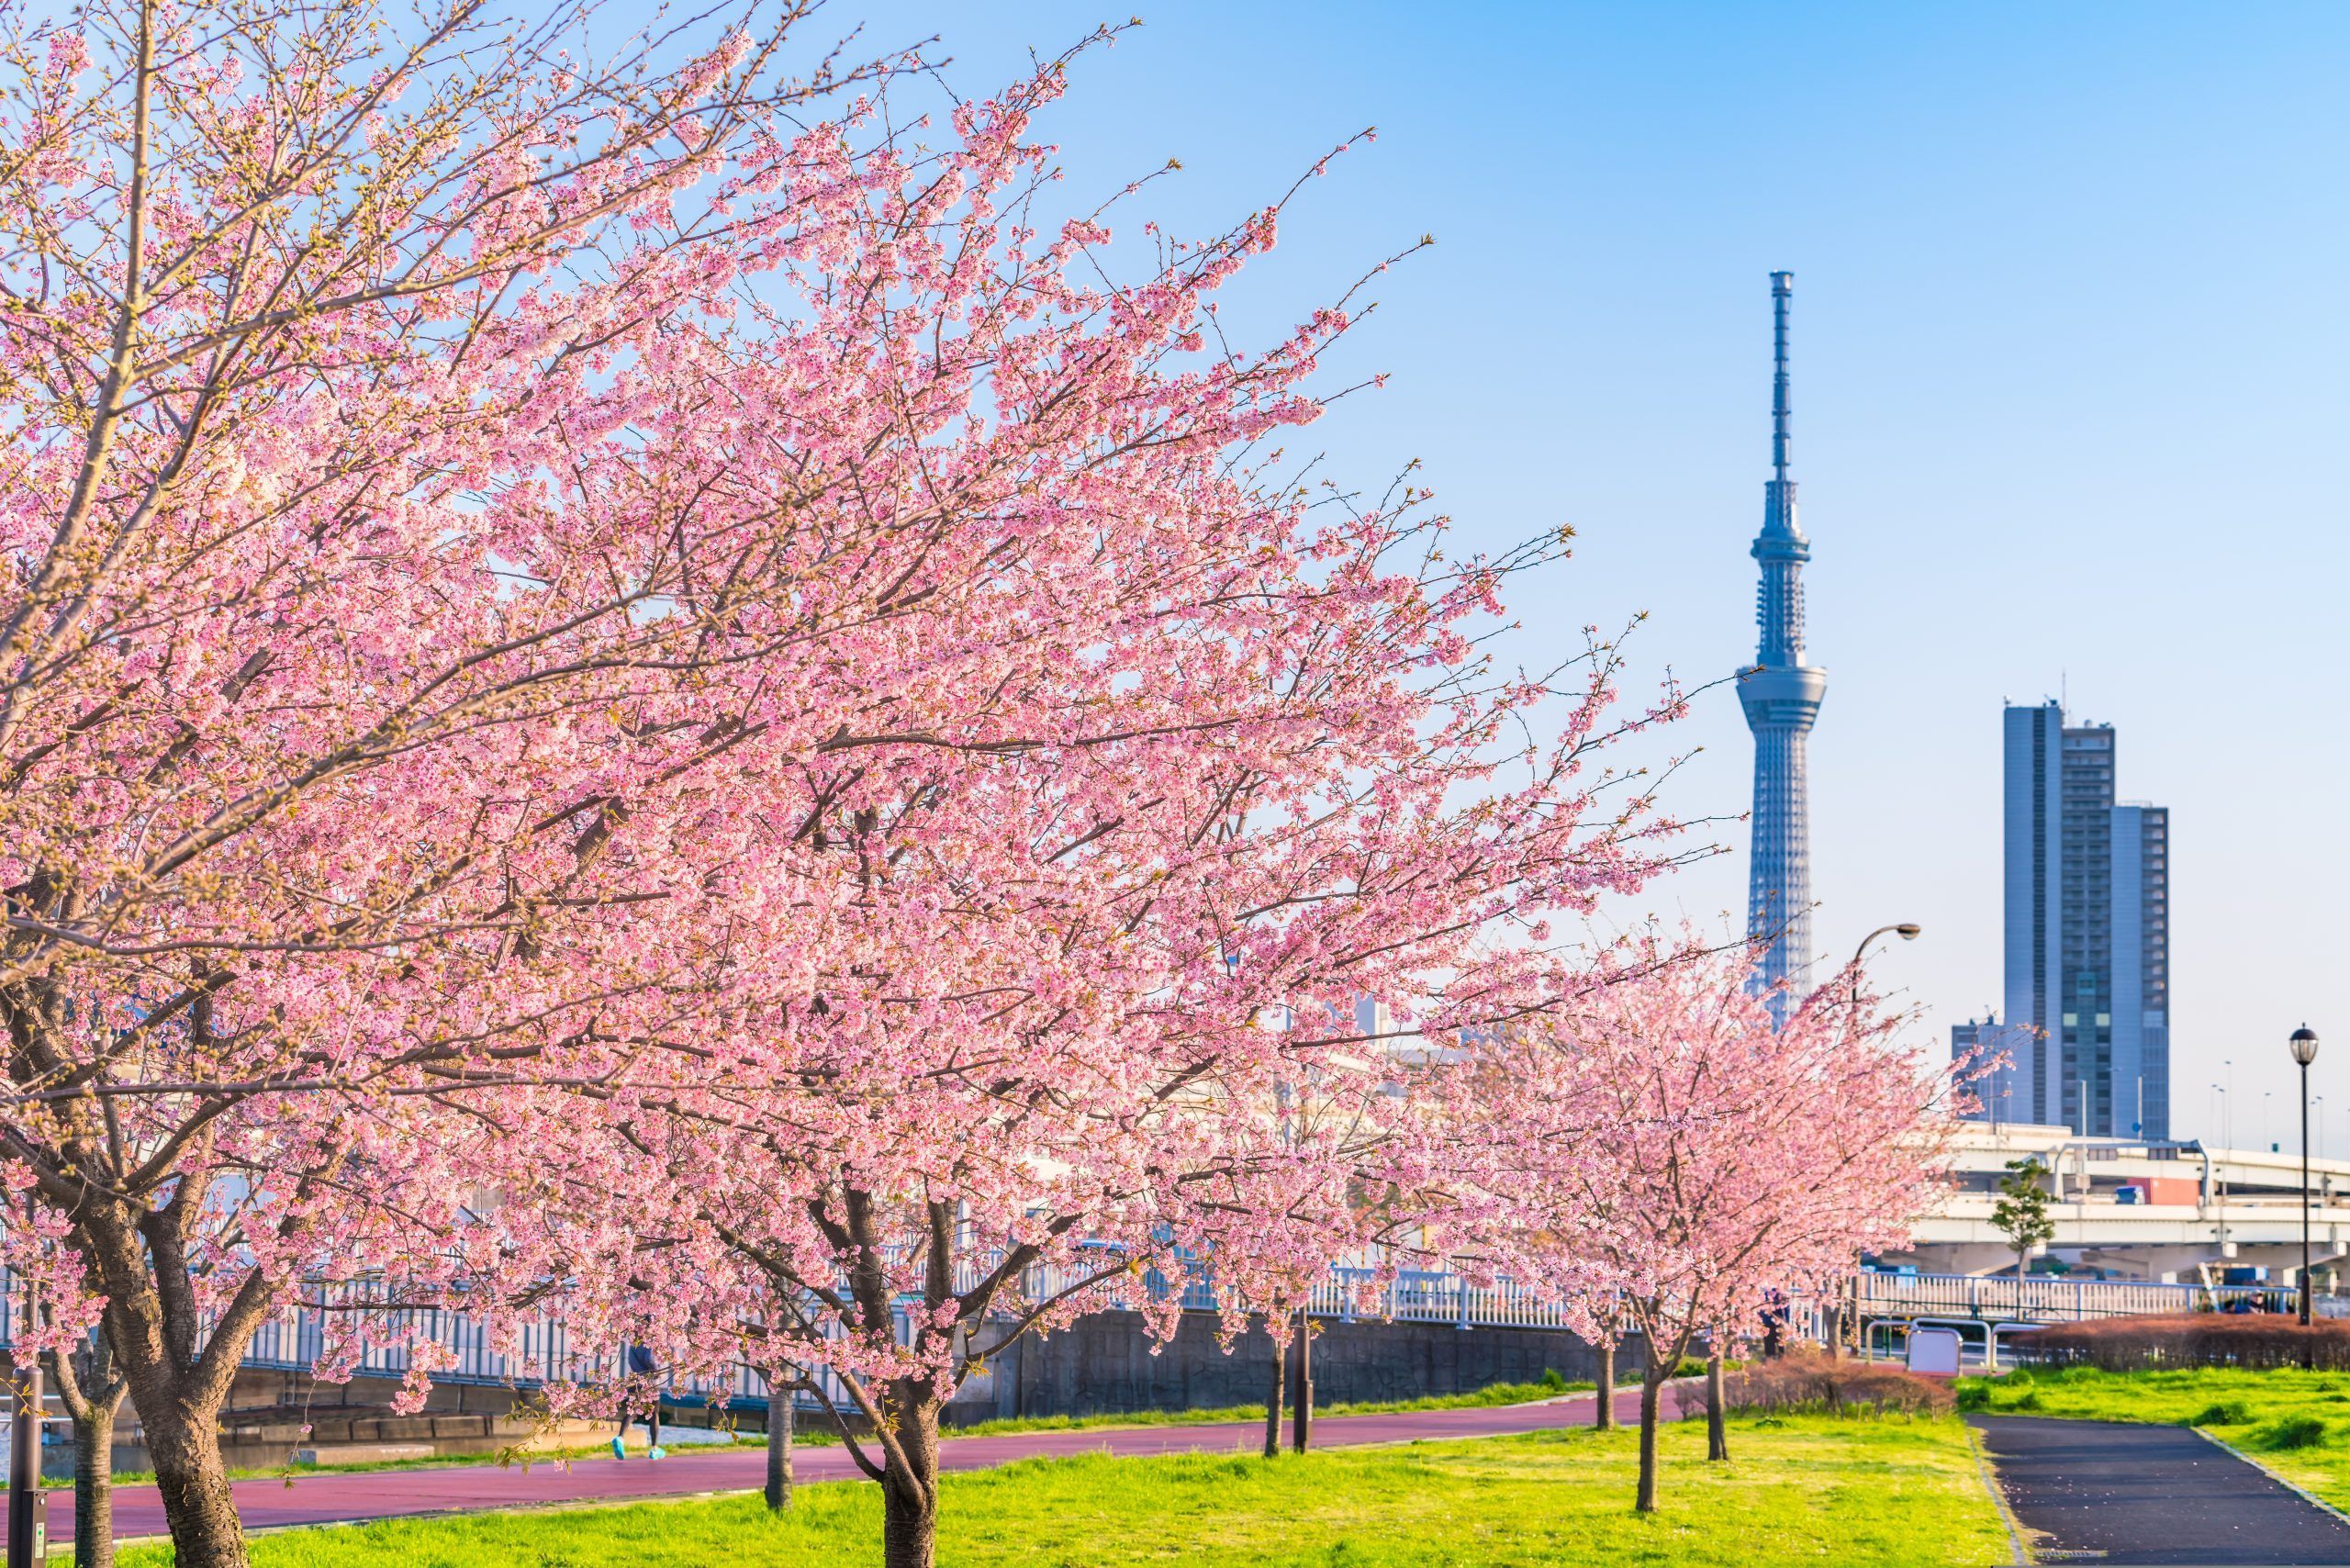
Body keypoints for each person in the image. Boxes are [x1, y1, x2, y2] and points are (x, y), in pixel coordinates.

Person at [612, 1343, 666, 1461]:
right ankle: (654, 1449)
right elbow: (649, 1358)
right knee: (654, 1414)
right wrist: (656, 1371)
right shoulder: (651, 1339)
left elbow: (631, 1360)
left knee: (632, 1410)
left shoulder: (634, 1341)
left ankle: (620, 1437)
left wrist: (639, 1373)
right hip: (650, 1383)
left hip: (635, 1380)